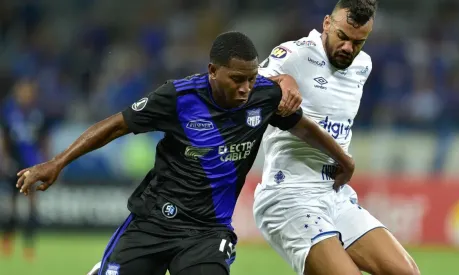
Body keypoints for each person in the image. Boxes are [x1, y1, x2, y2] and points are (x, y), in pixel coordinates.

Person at [15, 31, 354, 275]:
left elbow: (301, 126)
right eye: (237, 79)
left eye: (251, 79)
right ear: (212, 71)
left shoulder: (264, 96)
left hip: (208, 232)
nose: (245, 88)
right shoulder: (177, 97)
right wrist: (56, 163)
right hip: (154, 222)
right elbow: (116, 125)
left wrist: (343, 158)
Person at [253, 1, 421, 274]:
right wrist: (282, 79)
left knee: (406, 272)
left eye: (358, 42)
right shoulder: (295, 54)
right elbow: (249, 86)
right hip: (289, 196)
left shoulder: (362, 66)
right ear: (327, 24)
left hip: (335, 194)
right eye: (342, 37)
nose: (347, 48)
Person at [0, 78, 48, 261]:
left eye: (29, 91)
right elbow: (4, 138)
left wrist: (47, 160)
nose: (26, 94)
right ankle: (7, 240)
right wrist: (4, 160)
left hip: (33, 167)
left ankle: (29, 246)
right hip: (14, 165)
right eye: (23, 91)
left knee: (32, 207)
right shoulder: (9, 112)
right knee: (11, 207)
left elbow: (44, 140)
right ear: (17, 92)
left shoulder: (38, 114)